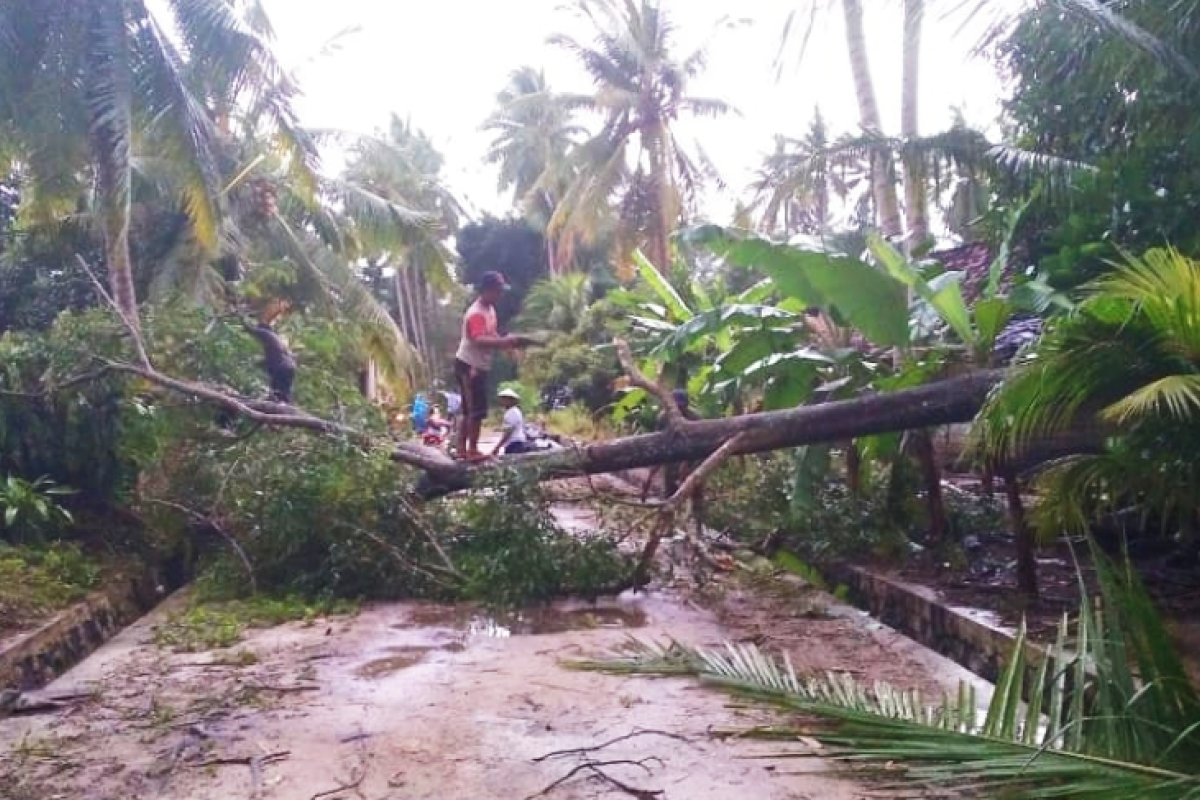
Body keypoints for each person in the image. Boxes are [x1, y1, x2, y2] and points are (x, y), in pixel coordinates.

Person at [453, 271, 525, 460]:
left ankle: (468, 449)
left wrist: (505, 344)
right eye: (497, 291)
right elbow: (478, 339)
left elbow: (491, 333)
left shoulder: (490, 310)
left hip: (480, 366)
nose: (500, 295)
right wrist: (504, 343)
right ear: (487, 290)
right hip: (468, 365)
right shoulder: (476, 313)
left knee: (476, 410)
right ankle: (468, 450)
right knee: (472, 411)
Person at [492, 388, 530, 456]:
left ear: (511, 400)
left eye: (504, 399)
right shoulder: (512, 411)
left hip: (515, 443)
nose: (502, 401)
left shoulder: (512, 412)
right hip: (514, 442)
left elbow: (509, 432)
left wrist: (497, 447)